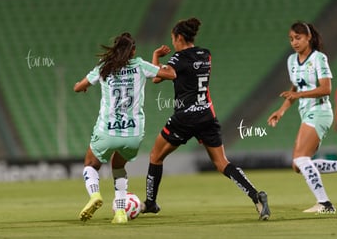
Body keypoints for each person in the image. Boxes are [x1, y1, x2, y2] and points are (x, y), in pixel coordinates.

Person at [141, 17, 271, 220]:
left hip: (184, 118)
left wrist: (155, 56)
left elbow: (156, 77)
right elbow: (166, 75)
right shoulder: (206, 54)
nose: (173, 43)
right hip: (207, 115)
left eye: (173, 38)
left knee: (155, 156)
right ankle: (256, 196)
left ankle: (150, 202)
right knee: (221, 162)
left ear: (179, 37)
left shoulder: (178, 58)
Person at [74, 32, 175, 224]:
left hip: (108, 130)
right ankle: (120, 213)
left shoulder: (104, 67)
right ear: (133, 50)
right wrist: (157, 59)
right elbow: (171, 74)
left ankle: (95, 196)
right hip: (133, 133)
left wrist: (81, 86)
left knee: (90, 164)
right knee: (119, 167)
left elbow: (78, 87)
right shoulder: (139, 65)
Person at [267, 22, 337, 213]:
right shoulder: (291, 61)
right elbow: (295, 89)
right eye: (291, 39)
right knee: (298, 164)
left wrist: (299, 96)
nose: (294, 42)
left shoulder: (319, 58)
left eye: (298, 38)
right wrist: (282, 110)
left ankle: (325, 204)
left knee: (301, 158)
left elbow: (326, 89)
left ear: (308, 37)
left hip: (320, 112)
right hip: (306, 113)